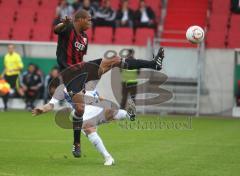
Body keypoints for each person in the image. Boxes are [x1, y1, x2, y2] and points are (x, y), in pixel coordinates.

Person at [53, 9, 164, 158]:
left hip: (83, 71)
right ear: (79, 19)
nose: (91, 22)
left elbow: (79, 57)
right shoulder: (68, 28)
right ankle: (76, 143)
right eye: (89, 19)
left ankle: (153, 64)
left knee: (116, 60)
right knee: (79, 110)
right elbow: (56, 30)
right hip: (69, 76)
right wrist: (62, 24)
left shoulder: (84, 38)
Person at [32, 87, 136, 166]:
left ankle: (129, 115)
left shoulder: (87, 79)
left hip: (96, 108)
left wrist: (102, 99)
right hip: (83, 113)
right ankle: (108, 157)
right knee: (89, 129)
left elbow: (97, 96)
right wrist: (42, 109)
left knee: (113, 112)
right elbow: (50, 105)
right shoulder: (62, 89)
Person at [1, 44, 23, 111]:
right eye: (9, 48)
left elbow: (21, 67)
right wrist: (2, 74)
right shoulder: (6, 56)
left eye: (11, 48)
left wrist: (13, 69)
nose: (10, 49)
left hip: (15, 75)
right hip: (7, 76)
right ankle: (5, 106)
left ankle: (28, 104)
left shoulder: (17, 56)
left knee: (19, 90)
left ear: (14, 49)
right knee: (4, 90)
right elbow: (6, 67)